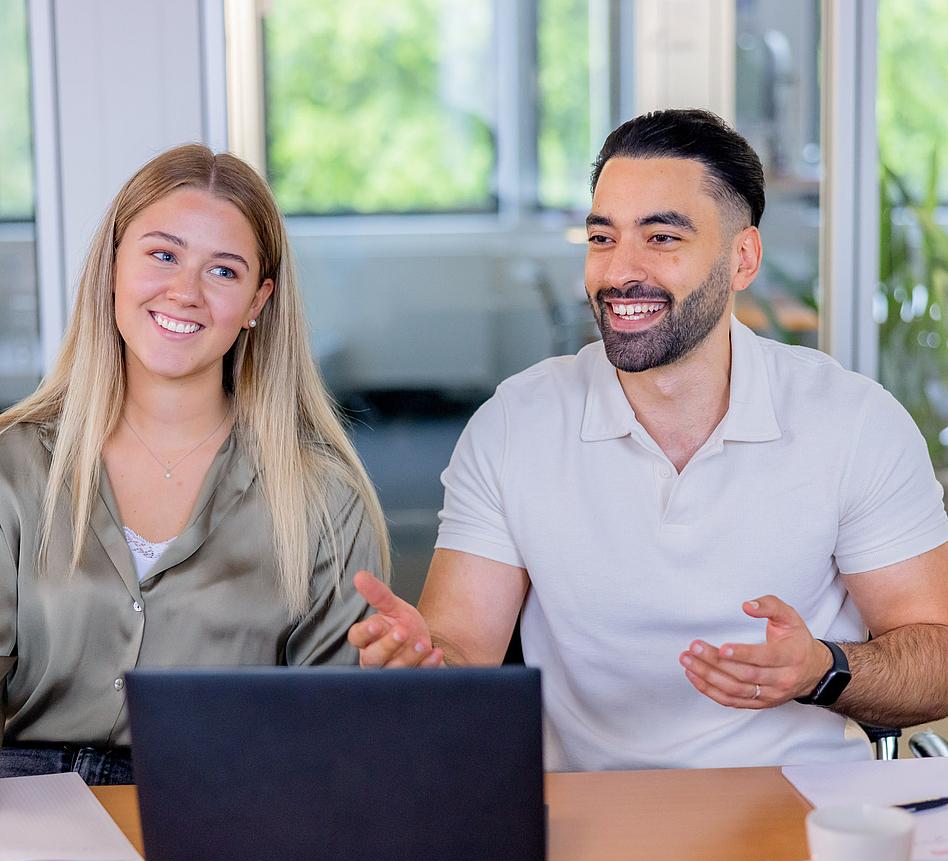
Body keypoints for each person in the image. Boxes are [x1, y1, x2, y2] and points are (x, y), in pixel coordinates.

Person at [349, 109, 948, 772]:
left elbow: (937, 655)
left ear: (742, 258)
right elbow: (460, 648)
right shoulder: (516, 423)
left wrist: (823, 670)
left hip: (798, 814)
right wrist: (421, 662)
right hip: (590, 819)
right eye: (602, 238)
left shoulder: (853, 421)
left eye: (661, 238)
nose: (619, 271)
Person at [0, 144, 388, 784]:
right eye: (162, 254)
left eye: (224, 272)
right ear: (113, 266)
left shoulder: (323, 496)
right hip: (36, 815)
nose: (184, 292)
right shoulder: (13, 463)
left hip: (232, 806)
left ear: (258, 302)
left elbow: (336, 737)